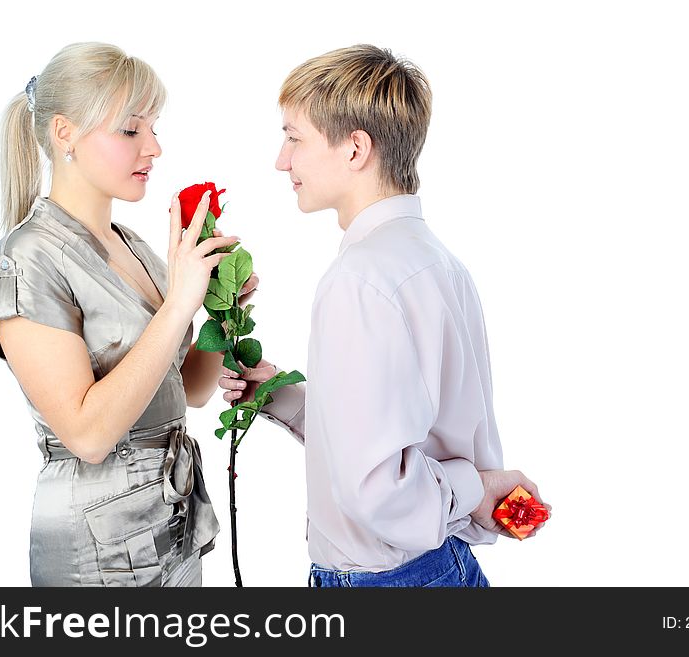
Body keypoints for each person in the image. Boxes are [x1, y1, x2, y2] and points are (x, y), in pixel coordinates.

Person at [219, 44, 551, 587]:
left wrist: (476, 487)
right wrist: (278, 395)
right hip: (443, 566)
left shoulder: (359, 280)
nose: (282, 160)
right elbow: (394, 430)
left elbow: (378, 485)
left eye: (294, 137)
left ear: (355, 149)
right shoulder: (438, 263)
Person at [0, 42, 255, 586]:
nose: (153, 147)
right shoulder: (27, 257)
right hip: (98, 554)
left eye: (154, 127)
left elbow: (188, 390)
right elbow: (87, 435)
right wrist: (178, 306)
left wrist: (221, 311)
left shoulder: (133, 247)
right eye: (131, 130)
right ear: (65, 134)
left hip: (171, 529)